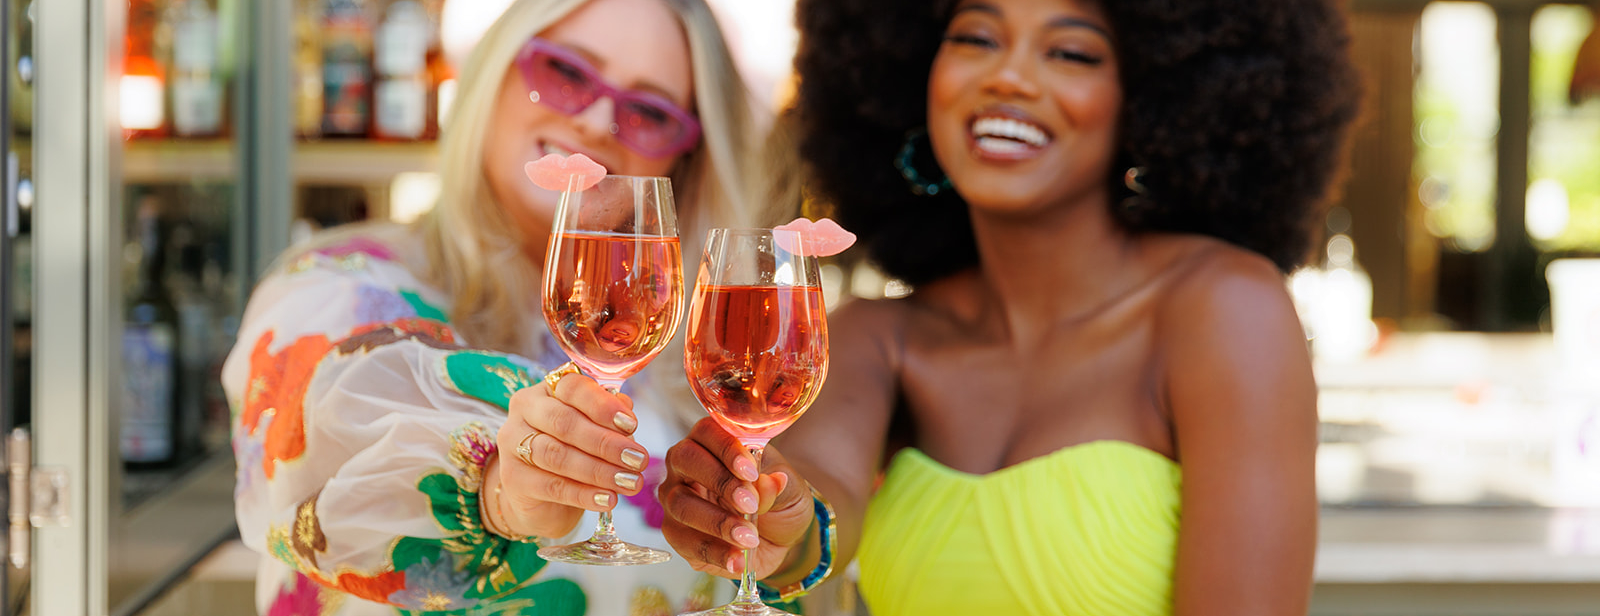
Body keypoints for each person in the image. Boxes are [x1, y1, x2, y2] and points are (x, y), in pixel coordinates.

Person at [659, 0, 1362, 614]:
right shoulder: (883, 337)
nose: (1009, 76)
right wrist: (761, 517)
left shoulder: (1224, 311)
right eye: (976, 38)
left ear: (1153, 97)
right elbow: (814, 506)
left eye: (1072, 52)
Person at [221, 0, 775, 613]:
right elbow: (320, 429)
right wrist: (496, 489)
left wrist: (781, 542)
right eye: (566, 71)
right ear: (493, 73)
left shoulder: (695, 353)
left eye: (648, 111)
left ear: (687, 159)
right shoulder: (335, 285)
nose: (596, 120)